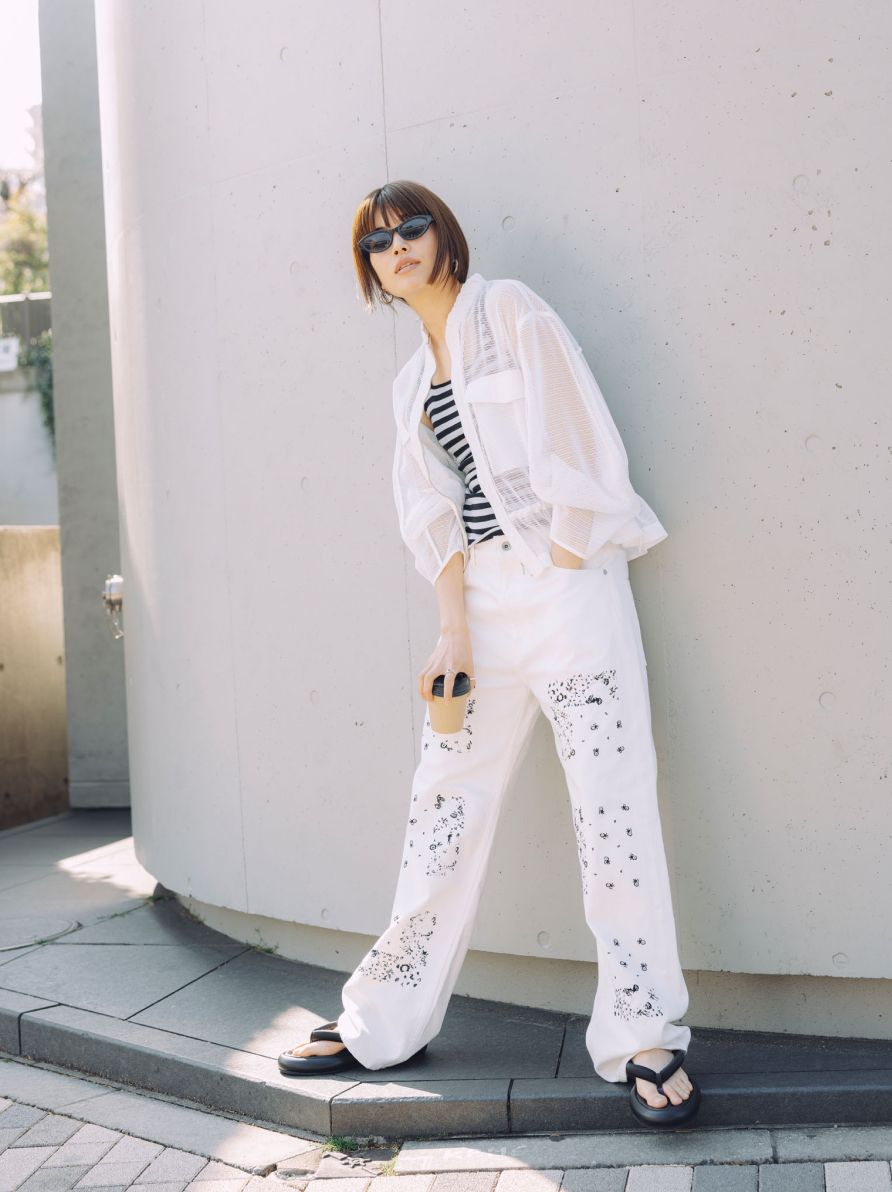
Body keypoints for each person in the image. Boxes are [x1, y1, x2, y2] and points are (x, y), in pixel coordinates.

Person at [277, 180, 701, 1128]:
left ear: (443, 235)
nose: (397, 246)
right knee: (441, 807)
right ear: (370, 269)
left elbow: (582, 434)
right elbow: (430, 515)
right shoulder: (408, 386)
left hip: (569, 587)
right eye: (378, 241)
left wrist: (560, 560)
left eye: (411, 227)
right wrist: (454, 630)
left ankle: (644, 1035)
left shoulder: (508, 311)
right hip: (483, 608)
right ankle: (383, 1018)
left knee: (613, 811)